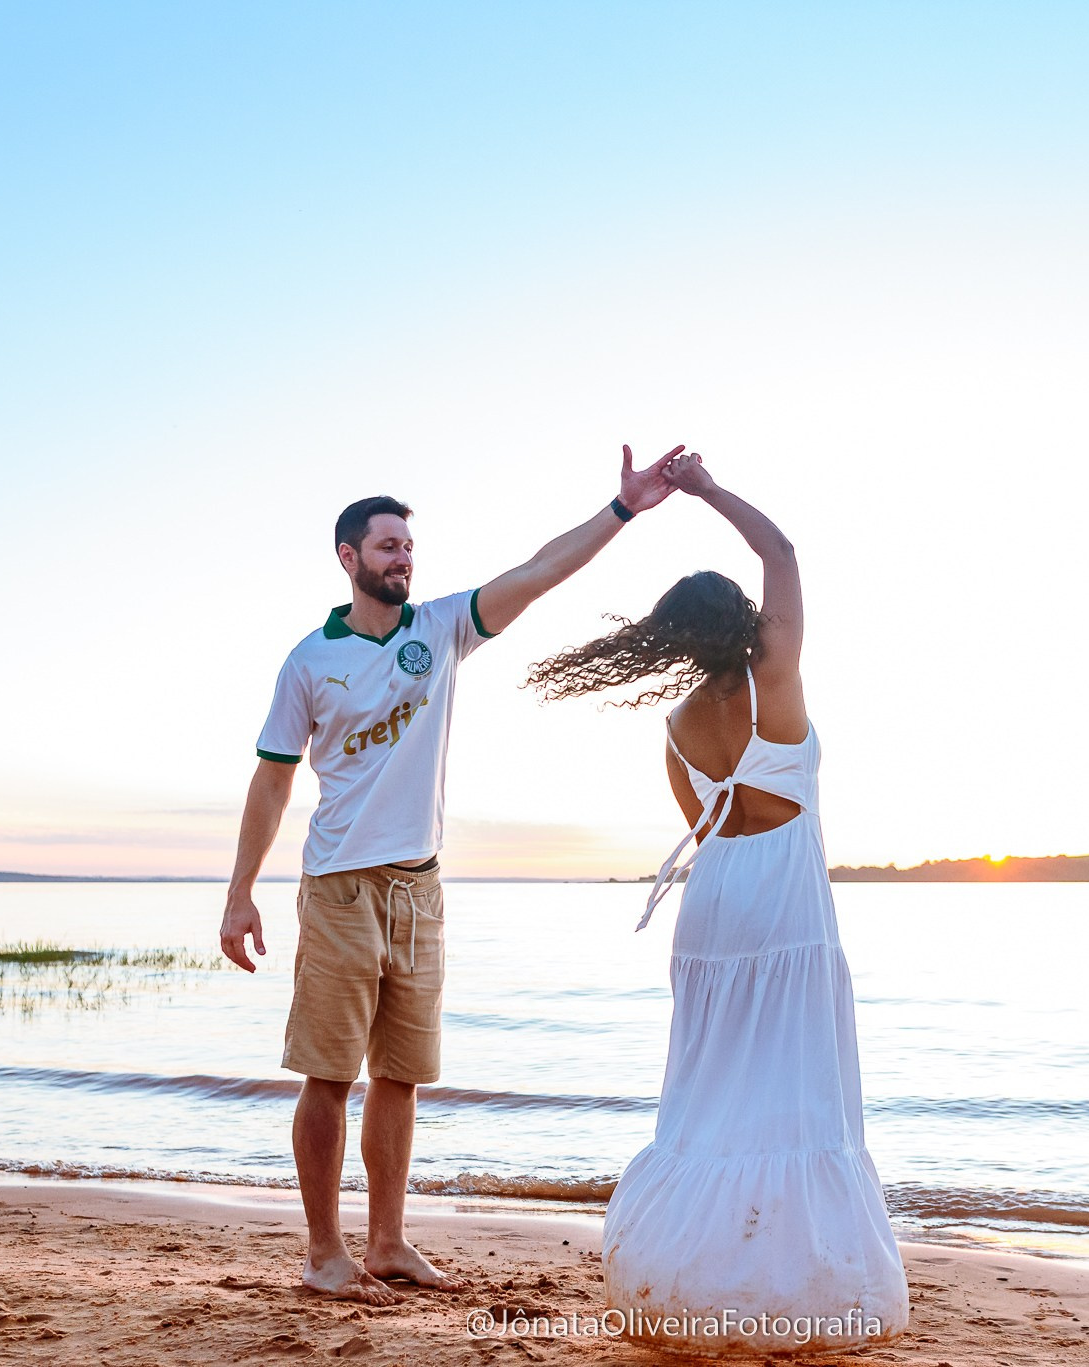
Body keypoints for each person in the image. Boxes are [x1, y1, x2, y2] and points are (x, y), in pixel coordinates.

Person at [219, 446, 681, 1303]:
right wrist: (240, 891)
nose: (403, 557)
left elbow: (540, 570)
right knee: (329, 1074)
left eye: (408, 546)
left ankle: (388, 1243)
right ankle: (326, 1254)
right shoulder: (307, 663)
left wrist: (621, 510)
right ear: (349, 558)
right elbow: (273, 778)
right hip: (342, 890)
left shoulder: (441, 627)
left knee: (402, 1074)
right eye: (386, 545)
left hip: (422, 891)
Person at [523, 453, 908, 1354]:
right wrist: (707, 490)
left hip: (716, 904)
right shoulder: (775, 678)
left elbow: (705, 826)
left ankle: (693, 1265)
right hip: (784, 904)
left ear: (673, 639)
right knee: (798, 1092)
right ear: (741, 622)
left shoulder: (677, 727)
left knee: (711, 1093)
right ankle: (786, 1278)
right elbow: (781, 548)